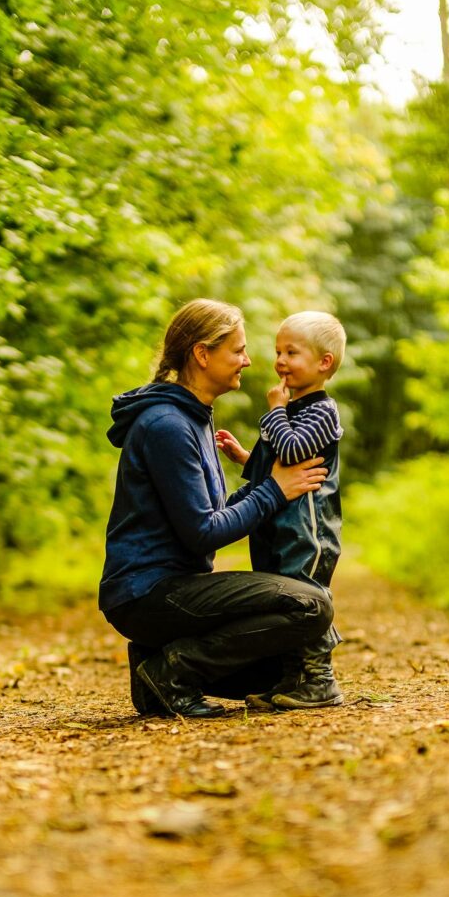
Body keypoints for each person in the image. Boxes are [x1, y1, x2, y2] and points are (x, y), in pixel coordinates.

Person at [98, 298, 334, 719]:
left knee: (281, 669)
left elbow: (214, 513)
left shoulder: (195, 417)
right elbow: (204, 531)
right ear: (202, 354)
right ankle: (174, 670)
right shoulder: (167, 425)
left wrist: (271, 485)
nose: (247, 360)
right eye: (238, 350)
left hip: (173, 587)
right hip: (147, 591)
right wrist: (274, 491)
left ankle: (154, 672)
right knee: (310, 606)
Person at [216, 310, 345, 710]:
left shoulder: (323, 411)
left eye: (292, 352)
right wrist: (245, 457)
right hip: (277, 525)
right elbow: (275, 466)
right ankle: (291, 679)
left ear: (324, 363)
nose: (281, 361)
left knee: (306, 595)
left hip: (307, 529)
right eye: (278, 351)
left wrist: (274, 411)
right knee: (281, 599)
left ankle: (320, 679)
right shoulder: (292, 410)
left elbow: (292, 450)